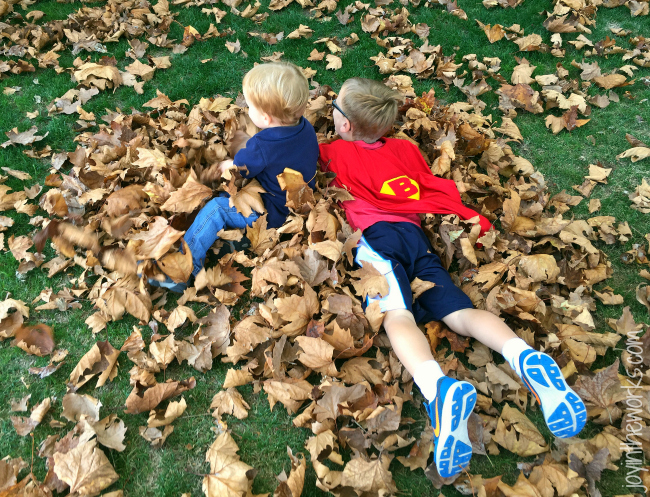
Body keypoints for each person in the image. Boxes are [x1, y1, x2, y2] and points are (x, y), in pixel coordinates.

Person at [319, 78, 586, 478]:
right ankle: (524, 356)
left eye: (336, 109)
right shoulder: (406, 149)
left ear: (346, 127)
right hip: (414, 237)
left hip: (375, 241)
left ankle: (437, 389)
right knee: (459, 309)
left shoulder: (333, 153)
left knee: (396, 316)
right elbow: (422, 181)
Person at [149, 62, 319, 293]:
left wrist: (229, 164)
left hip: (270, 214)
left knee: (216, 209)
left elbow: (241, 169)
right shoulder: (306, 127)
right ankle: (239, 241)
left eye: (249, 106)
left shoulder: (262, 145)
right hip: (297, 205)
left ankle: (183, 266)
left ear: (267, 118)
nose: (247, 110)